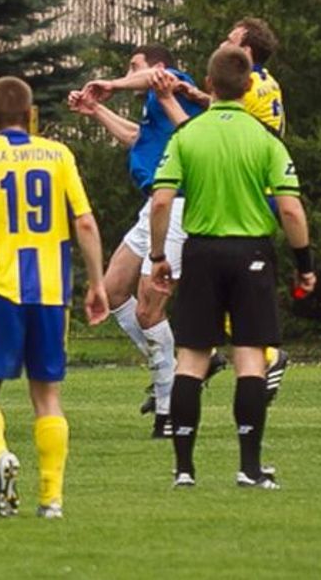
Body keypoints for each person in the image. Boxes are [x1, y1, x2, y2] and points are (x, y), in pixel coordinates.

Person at [0, 76, 109, 520]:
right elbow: (85, 223)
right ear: (31, 115)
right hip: (52, 292)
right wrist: (97, 283)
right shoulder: (59, 155)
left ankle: (0, 456)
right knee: (47, 397)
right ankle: (51, 499)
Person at [149, 42, 315, 490]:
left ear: (208, 85)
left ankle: (184, 469)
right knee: (249, 359)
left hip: (201, 252)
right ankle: (249, 466)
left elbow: (161, 199)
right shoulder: (265, 139)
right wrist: (305, 264)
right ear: (247, 87)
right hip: (252, 255)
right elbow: (292, 210)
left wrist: (159, 256)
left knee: (190, 360)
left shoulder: (188, 135)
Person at [67, 44, 206, 438]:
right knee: (110, 292)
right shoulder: (153, 103)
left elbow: (151, 78)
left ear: (159, 68)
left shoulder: (176, 83)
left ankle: (168, 407)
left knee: (149, 312)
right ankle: (180, 366)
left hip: (177, 205)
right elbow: (137, 137)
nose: (130, 73)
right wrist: (96, 110)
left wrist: (111, 84)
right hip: (153, 206)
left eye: (135, 67)